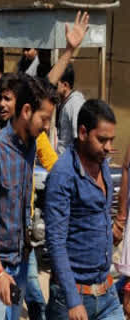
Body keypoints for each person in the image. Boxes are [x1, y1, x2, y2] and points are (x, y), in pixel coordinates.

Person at [0, 75, 57, 320]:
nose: (46, 126)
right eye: (44, 119)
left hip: (21, 259)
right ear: (26, 111)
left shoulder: (31, 145)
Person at [45, 99, 122, 320]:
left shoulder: (102, 163)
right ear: (82, 132)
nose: (108, 147)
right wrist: (73, 301)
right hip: (73, 299)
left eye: (111, 140)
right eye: (102, 140)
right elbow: (56, 242)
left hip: (106, 293)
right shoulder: (63, 176)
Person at [56, 63, 86, 155]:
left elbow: (79, 139)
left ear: (65, 85)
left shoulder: (75, 104)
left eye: (55, 84)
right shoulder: (63, 102)